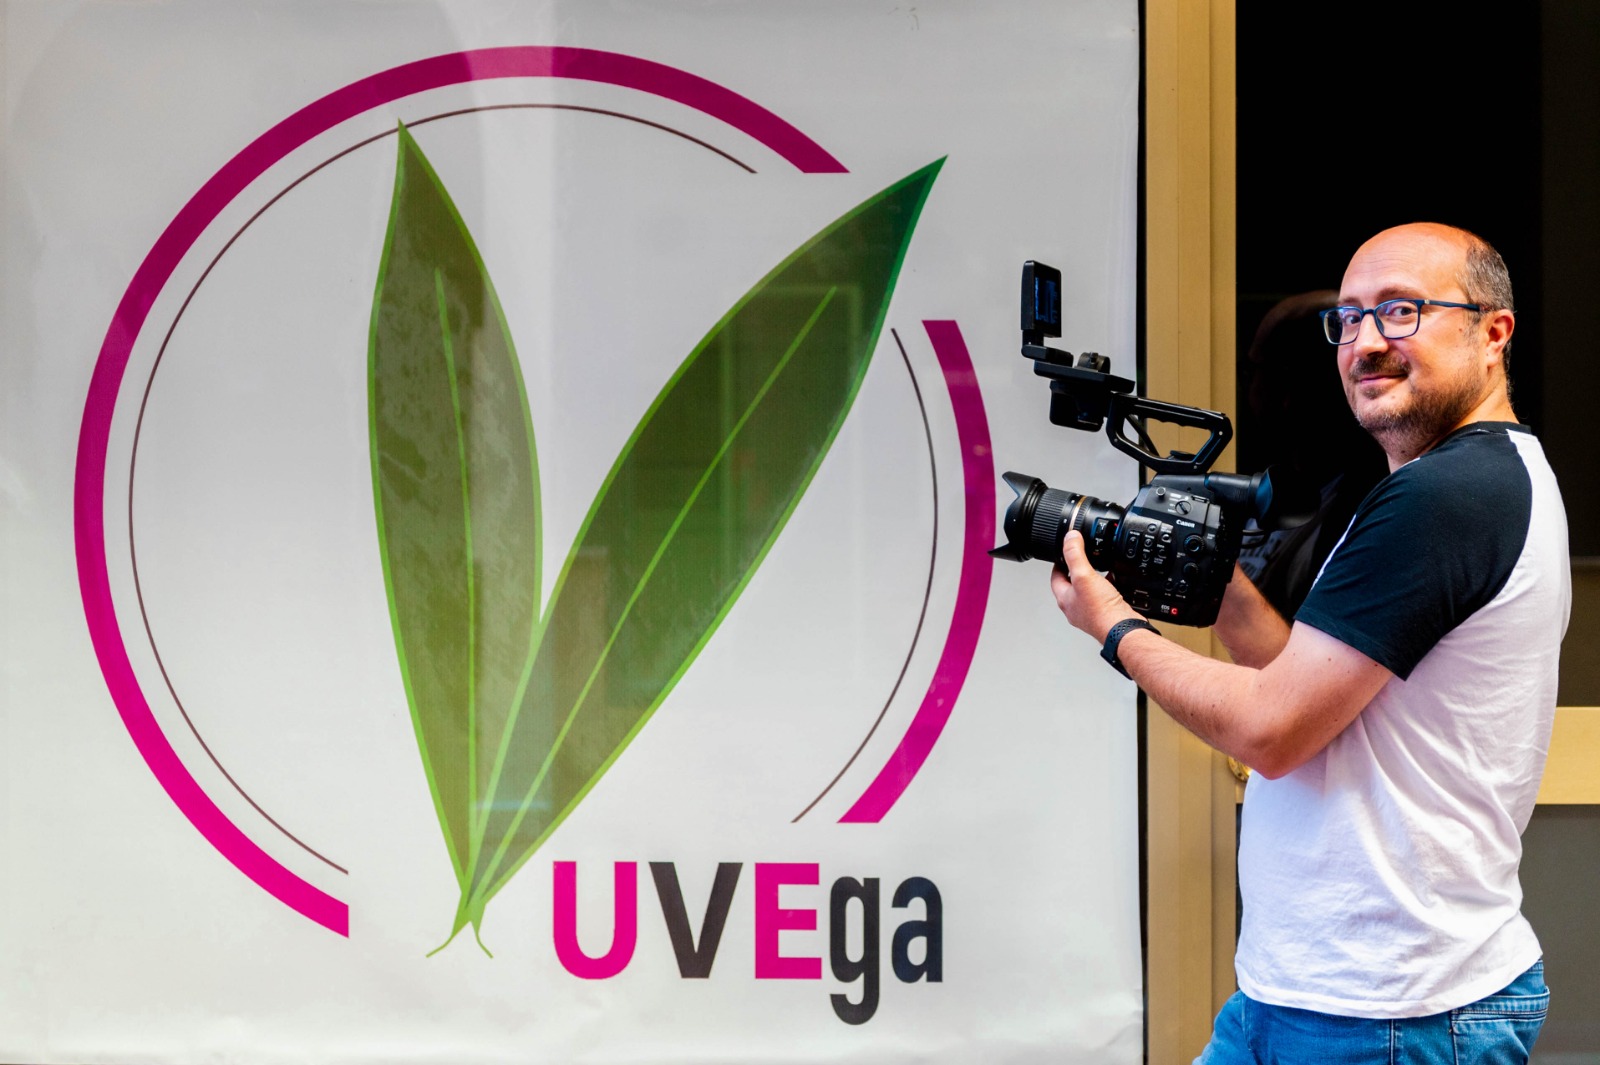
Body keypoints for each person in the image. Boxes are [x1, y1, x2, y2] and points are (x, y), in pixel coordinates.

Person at [1051, 223, 1570, 1063]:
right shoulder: (1466, 480)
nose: (1366, 341)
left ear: (1493, 332)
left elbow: (1273, 728)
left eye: (1401, 310)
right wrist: (1211, 574)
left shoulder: (1446, 497)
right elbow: (1306, 681)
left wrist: (1114, 627)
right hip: (1304, 994)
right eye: (1350, 318)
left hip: (1387, 1014)